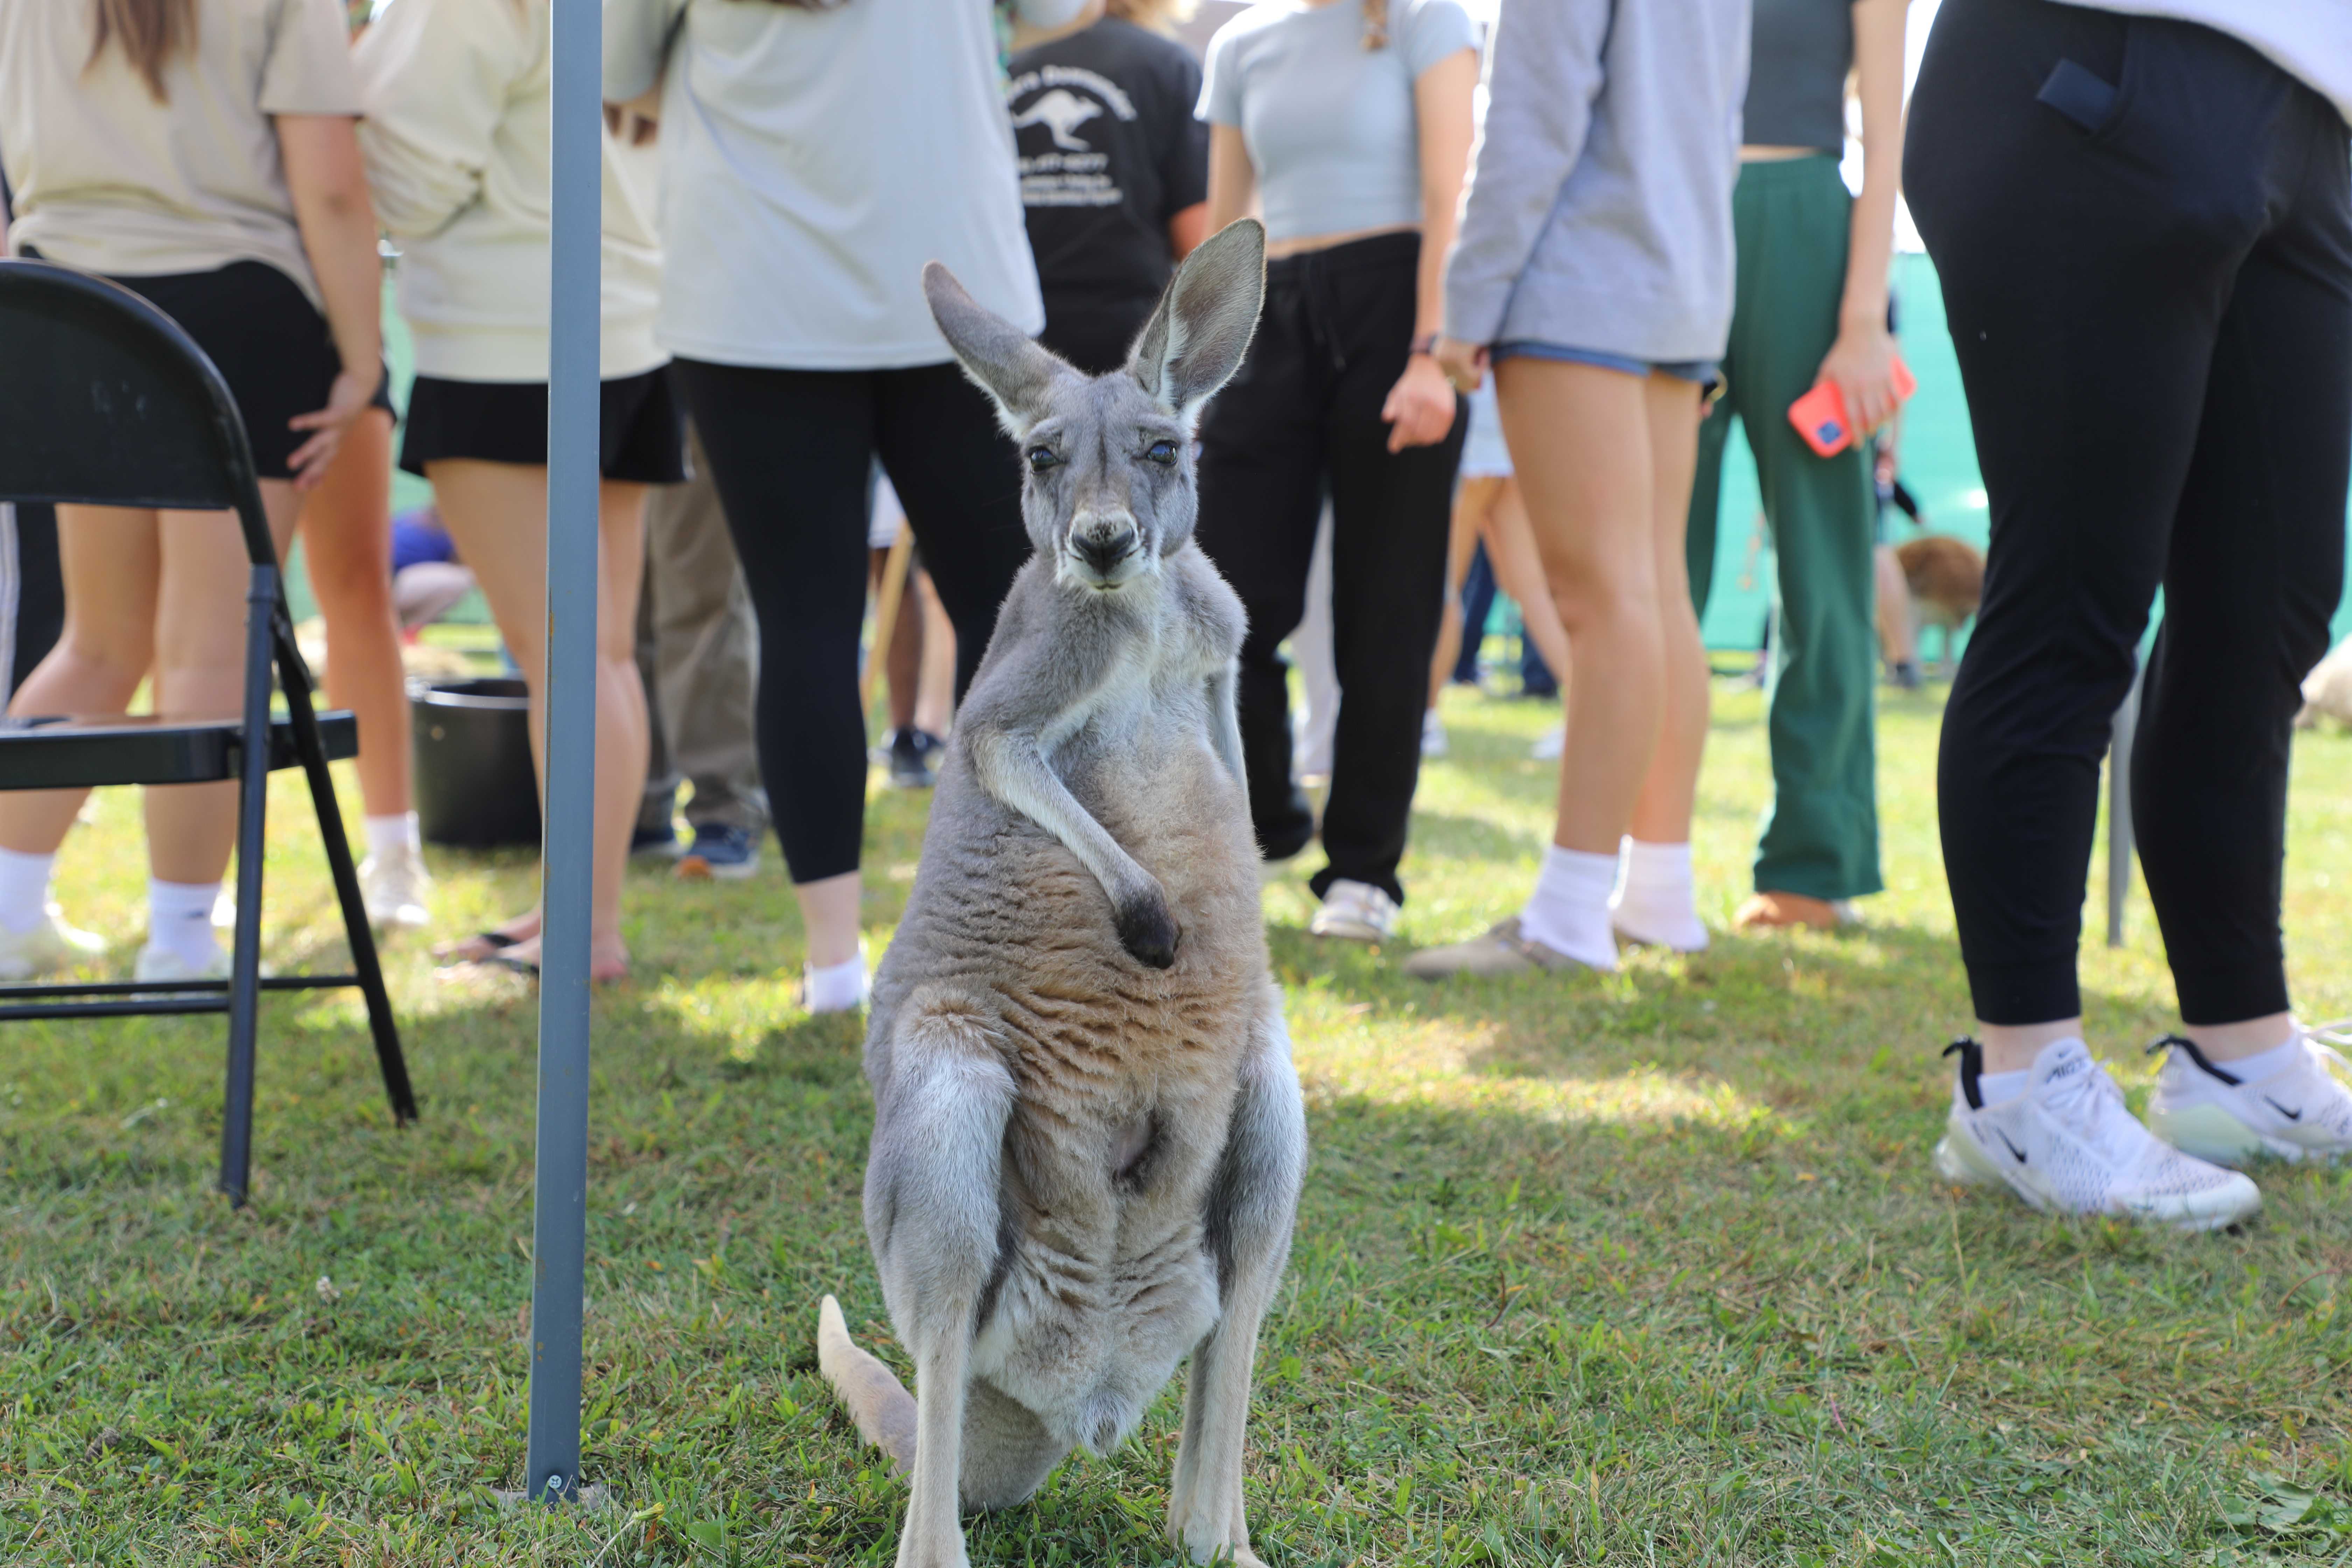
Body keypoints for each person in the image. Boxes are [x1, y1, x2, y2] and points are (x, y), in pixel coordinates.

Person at [1906, 0, 2351, 1228]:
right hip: (2091, 59)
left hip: (2310, 113)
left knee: (2270, 610)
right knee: (2071, 597)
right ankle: (2016, 1082)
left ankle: (2240, 1059)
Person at [604, 0, 1085, 1013]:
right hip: (957, 286)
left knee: (807, 625)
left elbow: (614, 67)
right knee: (1009, 618)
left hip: (753, 294)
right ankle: (1016, 936)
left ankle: (834, 966)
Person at [0, 0, 383, 985]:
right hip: (238, 312)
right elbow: (331, 184)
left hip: (69, 306)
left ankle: (8, 911)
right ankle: (179, 941)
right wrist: (361, 358)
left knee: (97, 641)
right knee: (211, 649)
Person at [1410, 0, 1748, 978]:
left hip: (1581, 282)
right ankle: (1659, 897)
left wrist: (1466, 305)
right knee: (1653, 591)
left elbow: (1530, 117)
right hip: (1681, 280)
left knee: (1604, 601)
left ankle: (1567, 917)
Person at [356, 0, 682, 983]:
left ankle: (584, 933)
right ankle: (581, 922)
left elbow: (408, 177)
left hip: (509, 338)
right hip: (626, 322)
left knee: (566, 657)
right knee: (597, 654)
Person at [1195, 0, 1477, 944]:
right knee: (1222, 602)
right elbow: (1225, 229)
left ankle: (1364, 869)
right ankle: (1269, 820)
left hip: (1398, 307)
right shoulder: (1240, 42)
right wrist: (1195, 376)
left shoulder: (1428, 18)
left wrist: (1431, 353)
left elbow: (1450, 196)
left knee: (1386, 610)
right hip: (1271, 315)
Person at [1682, 0, 1906, 935]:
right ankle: (1630, 849)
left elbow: (1886, 136)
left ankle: (1815, 863)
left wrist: (1863, 320)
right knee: (1651, 565)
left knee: (1824, 568)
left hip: (1809, 235)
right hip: (1671, 217)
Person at [1008, 0, 1210, 373]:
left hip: (1019, 331)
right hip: (1132, 337)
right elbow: (1197, 242)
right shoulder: (1167, 64)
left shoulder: (1006, 66)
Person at [1428, 379, 1572, 761]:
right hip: (1506, 432)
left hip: (1473, 433)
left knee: (1443, 585)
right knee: (1531, 588)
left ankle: (1423, 719)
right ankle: (1588, 711)